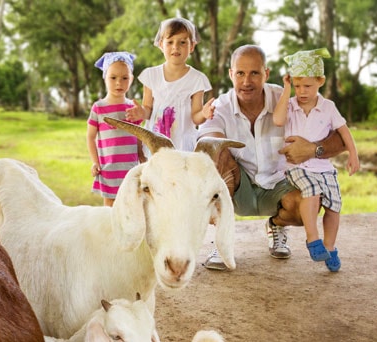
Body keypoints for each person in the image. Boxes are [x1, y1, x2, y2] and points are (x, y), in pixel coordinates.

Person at [197, 44, 346, 270]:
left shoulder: (288, 99)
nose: (247, 81)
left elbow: (340, 137)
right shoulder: (220, 107)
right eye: (240, 73)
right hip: (240, 188)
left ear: (266, 73)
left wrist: (313, 148)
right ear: (231, 74)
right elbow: (208, 145)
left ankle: (275, 225)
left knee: (309, 206)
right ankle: (222, 241)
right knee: (217, 151)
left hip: (280, 183)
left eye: (254, 73)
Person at [272, 48, 360, 272]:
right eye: (298, 85)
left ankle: (329, 247)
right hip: (297, 166)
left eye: (307, 86)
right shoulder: (290, 104)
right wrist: (286, 89)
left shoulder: (328, 107)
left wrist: (353, 154)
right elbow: (278, 119)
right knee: (311, 190)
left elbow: (344, 131)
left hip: (324, 167)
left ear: (320, 81)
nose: (302, 91)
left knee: (334, 205)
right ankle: (313, 239)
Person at [125, 17, 215, 152]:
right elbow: (148, 108)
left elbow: (195, 117)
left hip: (182, 145)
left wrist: (203, 113)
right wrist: (141, 113)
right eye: (170, 42)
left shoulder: (196, 79)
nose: (176, 47)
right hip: (156, 142)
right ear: (161, 44)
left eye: (183, 42)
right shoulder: (152, 75)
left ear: (192, 46)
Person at [86, 51, 144, 207]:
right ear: (105, 77)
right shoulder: (99, 108)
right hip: (109, 168)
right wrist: (95, 162)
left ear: (131, 79)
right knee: (109, 209)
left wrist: (143, 159)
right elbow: (91, 137)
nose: (119, 83)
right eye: (113, 78)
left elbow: (139, 136)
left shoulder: (132, 107)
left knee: (131, 206)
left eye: (125, 78)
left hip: (130, 168)